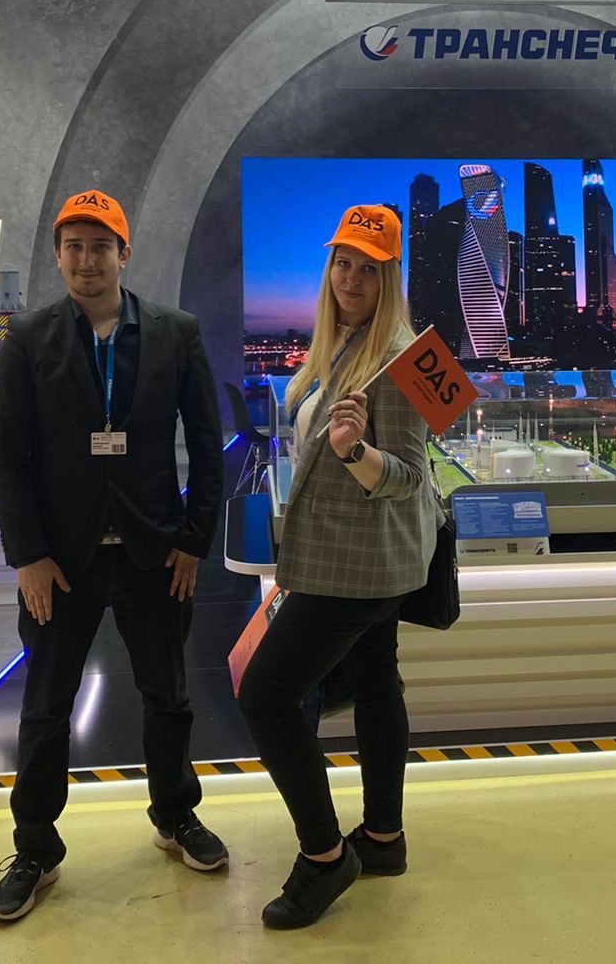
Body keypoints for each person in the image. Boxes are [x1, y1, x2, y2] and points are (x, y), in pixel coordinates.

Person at [0, 188, 227, 924]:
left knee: (169, 696)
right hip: (61, 563)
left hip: (156, 554)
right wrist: (27, 556)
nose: (86, 261)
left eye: (100, 247)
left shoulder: (175, 332)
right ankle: (35, 848)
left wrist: (192, 541)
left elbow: (207, 447)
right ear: (58, 255)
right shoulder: (28, 338)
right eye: (74, 247)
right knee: (44, 707)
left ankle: (175, 816)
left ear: (125, 254)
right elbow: (6, 459)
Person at [236, 205, 438, 930]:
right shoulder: (343, 344)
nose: (351, 278)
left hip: (359, 568)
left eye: (368, 267)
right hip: (355, 556)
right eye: (342, 262)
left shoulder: (402, 358)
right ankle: (383, 839)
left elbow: (410, 475)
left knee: (265, 697)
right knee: (377, 685)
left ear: (391, 277)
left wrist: (356, 452)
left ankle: (326, 857)